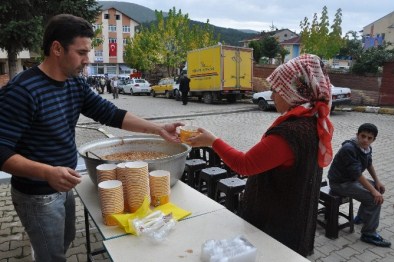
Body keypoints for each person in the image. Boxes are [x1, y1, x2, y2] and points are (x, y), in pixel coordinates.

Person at [0, 14, 183, 262]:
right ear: (57, 48)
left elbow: (111, 113)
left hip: (64, 183)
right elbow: (2, 152)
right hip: (37, 194)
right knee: (52, 256)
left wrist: (158, 129)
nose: (87, 60)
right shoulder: (23, 90)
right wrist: (47, 173)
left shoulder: (75, 83)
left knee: (65, 241)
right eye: (82, 52)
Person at [188, 54, 334, 257]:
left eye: (276, 90)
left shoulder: (292, 132)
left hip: (276, 224)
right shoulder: (311, 120)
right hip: (295, 216)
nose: (272, 95)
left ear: (293, 91)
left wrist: (212, 141)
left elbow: (244, 165)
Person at [328, 123, 391, 247]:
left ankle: (361, 218)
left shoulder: (367, 148)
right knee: (374, 198)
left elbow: (368, 164)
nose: (365, 140)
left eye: (369, 138)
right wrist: (373, 191)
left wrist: (377, 182)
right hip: (340, 183)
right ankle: (369, 233)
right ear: (357, 135)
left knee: (379, 189)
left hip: (351, 180)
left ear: (374, 140)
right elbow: (357, 174)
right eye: (363, 136)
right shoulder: (349, 149)